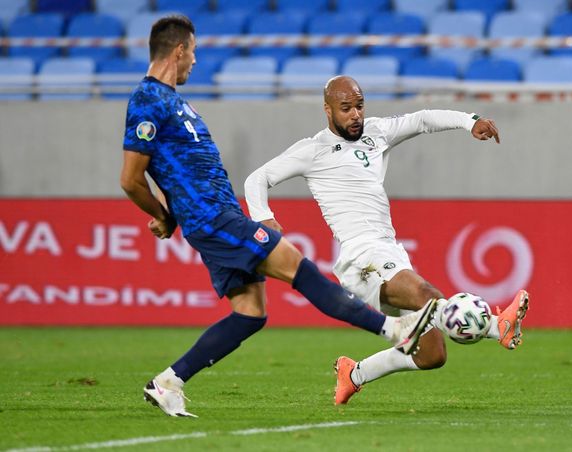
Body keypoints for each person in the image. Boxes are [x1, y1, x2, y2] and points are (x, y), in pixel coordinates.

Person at [119, 16, 437, 418]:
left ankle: (168, 383)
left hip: (217, 216)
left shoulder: (174, 102)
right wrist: (163, 215)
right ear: (179, 49)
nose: (195, 61)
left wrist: (170, 213)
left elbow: (175, 169)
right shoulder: (147, 99)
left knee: (250, 314)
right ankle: (395, 331)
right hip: (215, 220)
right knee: (301, 270)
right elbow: (131, 178)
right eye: (194, 52)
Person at [244, 76, 530, 405]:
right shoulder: (313, 150)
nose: (355, 115)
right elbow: (258, 178)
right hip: (361, 256)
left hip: (389, 251)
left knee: (432, 355)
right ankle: (498, 326)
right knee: (427, 295)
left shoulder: (377, 132)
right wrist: (262, 216)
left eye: (360, 106)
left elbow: (422, 120)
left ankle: (354, 374)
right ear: (328, 110)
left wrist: (471, 121)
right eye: (346, 108)